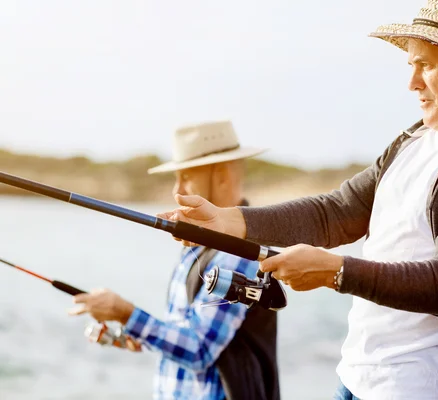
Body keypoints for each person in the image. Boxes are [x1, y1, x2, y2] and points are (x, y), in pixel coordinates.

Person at [161, 1, 438, 399]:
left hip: (424, 387)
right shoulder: (416, 140)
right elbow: (337, 213)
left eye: (426, 65)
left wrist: (335, 272)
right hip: (357, 379)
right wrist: (228, 222)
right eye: (410, 66)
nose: (412, 82)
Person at [69, 121, 280, 400]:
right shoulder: (203, 244)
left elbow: (199, 349)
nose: (176, 189)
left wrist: (125, 313)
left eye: (186, 177)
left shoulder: (239, 252)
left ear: (221, 175)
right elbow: (186, 332)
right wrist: (133, 333)